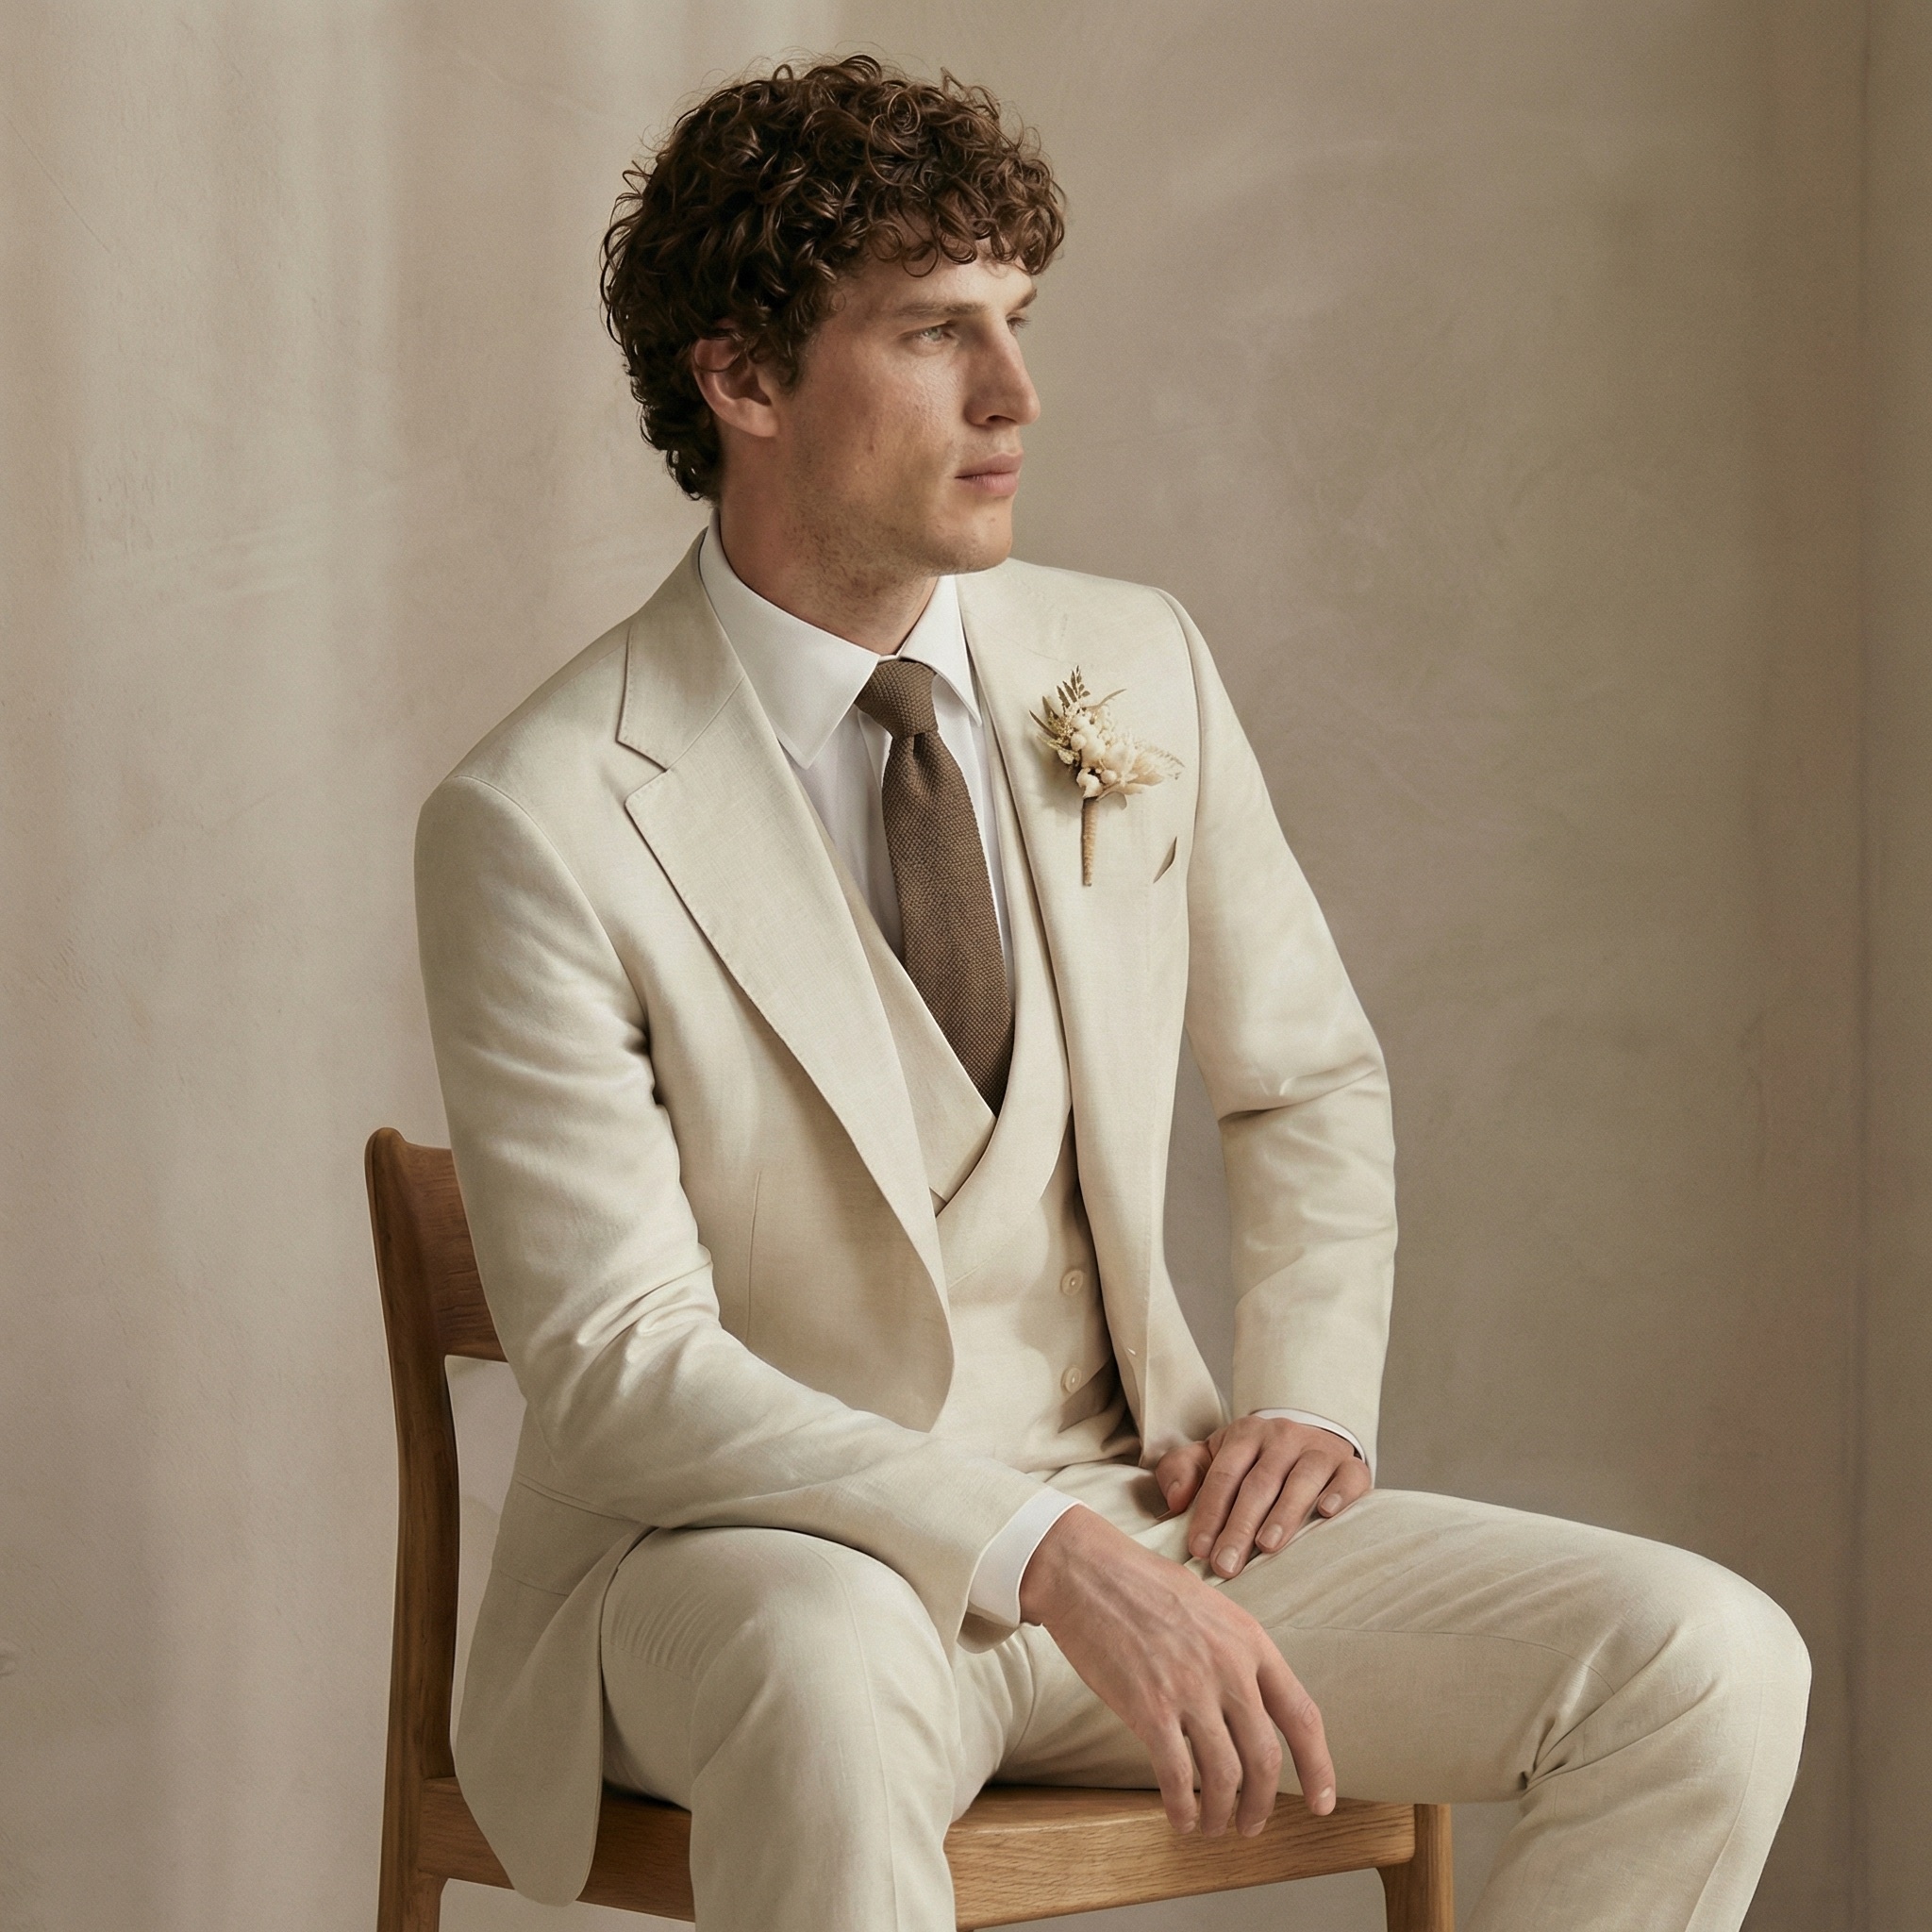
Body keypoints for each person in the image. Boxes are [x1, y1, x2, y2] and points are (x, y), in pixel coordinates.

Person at [413, 54, 1809, 1932]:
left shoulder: (1131, 662)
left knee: (1704, 1662)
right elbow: (619, 1370)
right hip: (745, 1563)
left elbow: (1303, 1076)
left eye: (1017, 321)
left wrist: (1307, 1403)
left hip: (1138, 1509)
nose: (1014, 394)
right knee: (823, 1681)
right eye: (935, 333)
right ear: (741, 380)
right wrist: (1035, 1550)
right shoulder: (540, 817)